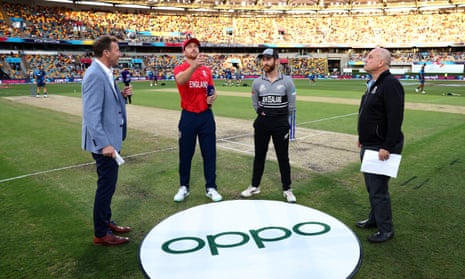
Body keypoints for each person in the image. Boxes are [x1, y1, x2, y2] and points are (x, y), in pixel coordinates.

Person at [82, 35, 133, 246]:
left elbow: (106, 103)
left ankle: (106, 221)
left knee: (108, 187)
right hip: (105, 144)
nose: (119, 54)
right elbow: (91, 114)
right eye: (117, 50)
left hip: (111, 138)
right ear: (106, 53)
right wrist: (105, 144)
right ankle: (101, 234)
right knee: (105, 188)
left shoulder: (105, 72)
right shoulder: (95, 74)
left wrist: (121, 96)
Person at [356, 47, 404, 243]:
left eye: (370, 57)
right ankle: (375, 219)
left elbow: (395, 117)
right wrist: (362, 136)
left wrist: (387, 146)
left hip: (380, 146)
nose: (365, 59)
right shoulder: (374, 83)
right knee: (372, 187)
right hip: (369, 143)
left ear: (381, 63)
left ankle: (386, 229)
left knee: (378, 189)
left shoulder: (390, 84)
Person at [240, 48, 297, 203]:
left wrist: (279, 115)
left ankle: (287, 189)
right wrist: (261, 111)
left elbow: (291, 106)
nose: (265, 62)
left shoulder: (287, 81)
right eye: (263, 59)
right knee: (259, 155)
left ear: (276, 61)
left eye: (268, 59)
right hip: (262, 124)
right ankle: (254, 186)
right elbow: (254, 102)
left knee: (283, 157)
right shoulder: (257, 82)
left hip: (280, 124)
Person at [172, 37, 222, 202]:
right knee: (186, 154)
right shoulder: (181, 68)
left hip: (206, 116)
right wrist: (194, 66)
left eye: (196, 47)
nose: (194, 49)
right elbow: (181, 80)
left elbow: (211, 89)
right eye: (190, 47)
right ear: (184, 51)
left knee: (210, 154)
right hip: (188, 116)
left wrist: (213, 96)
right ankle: (183, 187)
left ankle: (211, 188)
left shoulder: (206, 71)